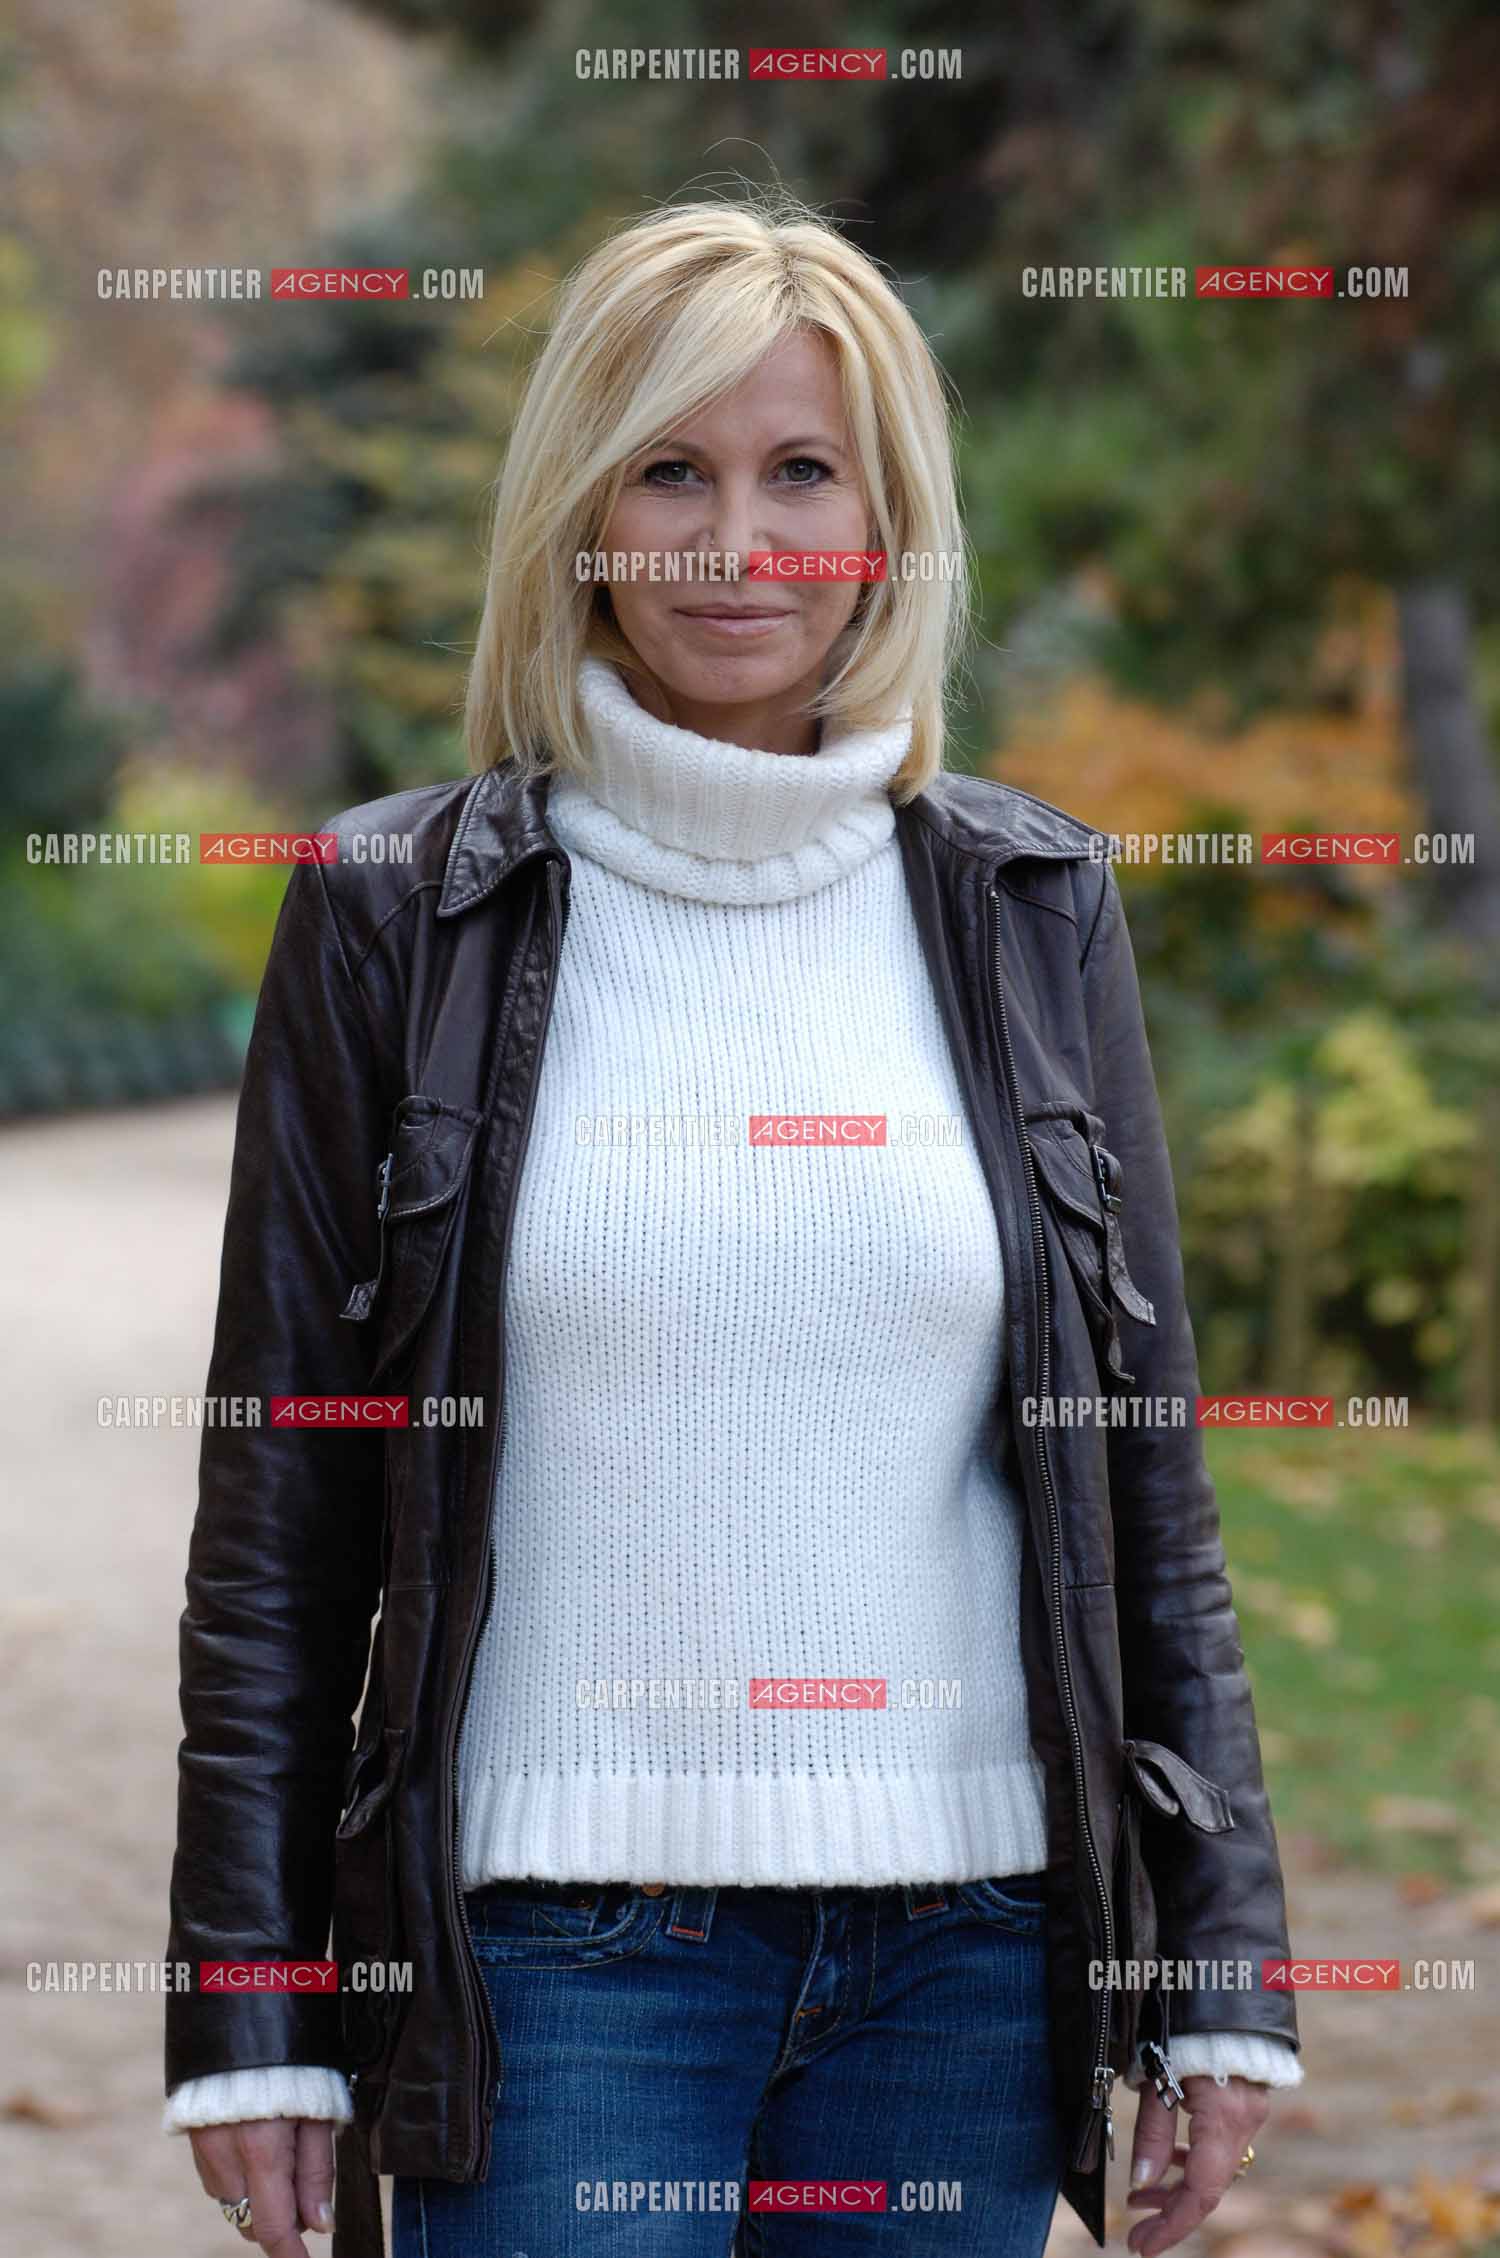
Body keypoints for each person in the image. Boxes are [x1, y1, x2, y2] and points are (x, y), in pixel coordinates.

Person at [163, 193, 1302, 2258]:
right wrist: (251, 2002)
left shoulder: (1031, 904)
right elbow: (281, 1522)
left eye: (801, 473)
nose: (734, 543)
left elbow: (1144, 1474)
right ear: (579, 510)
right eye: (668, 472)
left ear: (890, 518)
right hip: (550, 1961)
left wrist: (1219, 1962)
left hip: (970, 1957)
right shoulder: (390, 916)